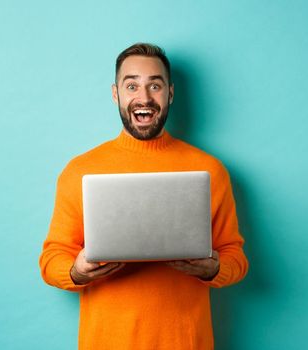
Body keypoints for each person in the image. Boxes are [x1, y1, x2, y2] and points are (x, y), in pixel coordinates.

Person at [38, 43, 249, 349]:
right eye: (132, 85)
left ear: (170, 94)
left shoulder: (210, 170)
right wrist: (77, 272)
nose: (144, 97)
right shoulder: (80, 170)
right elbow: (51, 259)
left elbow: (236, 257)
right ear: (116, 94)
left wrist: (215, 269)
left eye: (155, 85)